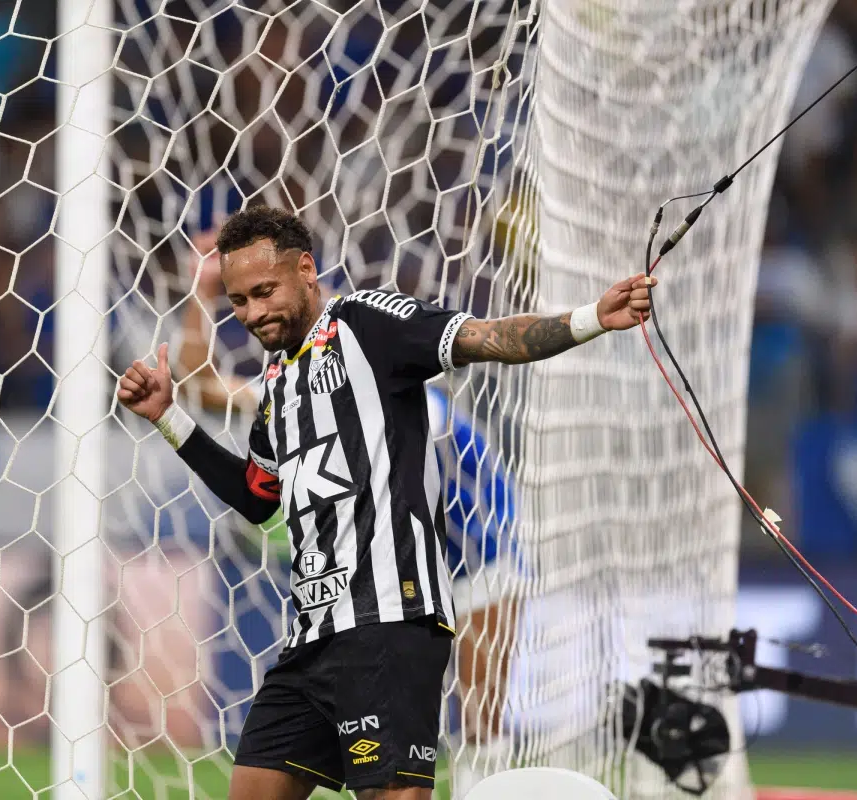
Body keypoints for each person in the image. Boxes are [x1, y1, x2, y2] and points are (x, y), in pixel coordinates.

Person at [117, 206, 655, 800]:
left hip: (390, 624)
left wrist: (589, 319)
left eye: (264, 292)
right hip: (311, 637)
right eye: (239, 301)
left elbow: (488, 338)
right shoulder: (277, 383)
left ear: (305, 269)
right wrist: (168, 418)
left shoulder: (367, 324)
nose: (253, 313)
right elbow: (255, 496)